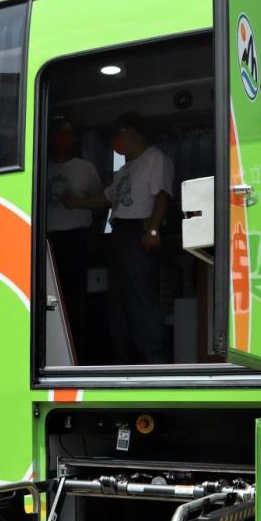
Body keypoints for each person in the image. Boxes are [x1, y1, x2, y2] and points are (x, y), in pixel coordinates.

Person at [67, 112, 174, 364]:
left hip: (140, 232)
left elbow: (162, 195)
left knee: (140, 299)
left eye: (117, 135)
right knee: (119, 302)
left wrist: (154, 230)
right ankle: (125, 361)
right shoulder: (124, 169)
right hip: (120, 235)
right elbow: (106, 198)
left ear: (131, 132)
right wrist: (76, 203)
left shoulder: (155, 158)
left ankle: (153, 361)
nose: (115, 142)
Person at [45, 117, 103, 361]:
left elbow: (102, 203)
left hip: (76, 238)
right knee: (46, 299)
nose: (63, 138)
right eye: (59, 133)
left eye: (68, 133)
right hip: (45, 240)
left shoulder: (85, 168)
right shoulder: (42, 166)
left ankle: (77, 355)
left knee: (73, 298)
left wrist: (95, 236)